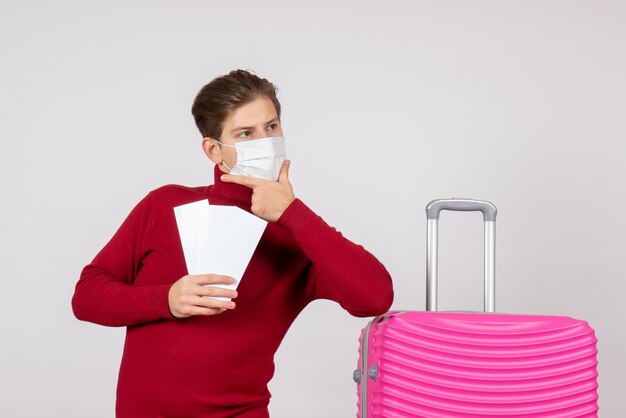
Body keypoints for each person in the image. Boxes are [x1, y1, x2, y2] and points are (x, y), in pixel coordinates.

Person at [72, 69, 394, 418]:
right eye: (246, 133)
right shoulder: (164, 205)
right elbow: (87, 296)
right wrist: (165, 299)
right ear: (214, 150)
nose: (265, 141)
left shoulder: (296, 236)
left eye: (271, 127)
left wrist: (292, 213)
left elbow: (374, 297)